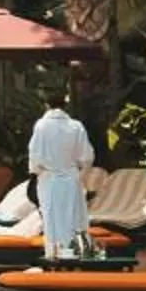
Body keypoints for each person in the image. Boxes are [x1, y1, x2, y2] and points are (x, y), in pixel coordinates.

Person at [27, 89, 96, 259]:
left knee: (52, 218)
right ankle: (77, 253)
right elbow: (87, 157)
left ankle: (54, 254)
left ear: (47, 105)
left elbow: (35, 156)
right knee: (74, 217)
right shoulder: (76, 126)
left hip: (49, 179)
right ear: (65, 106)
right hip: (72, 179)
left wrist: (35, 172)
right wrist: (81, 178)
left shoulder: (41, 126)